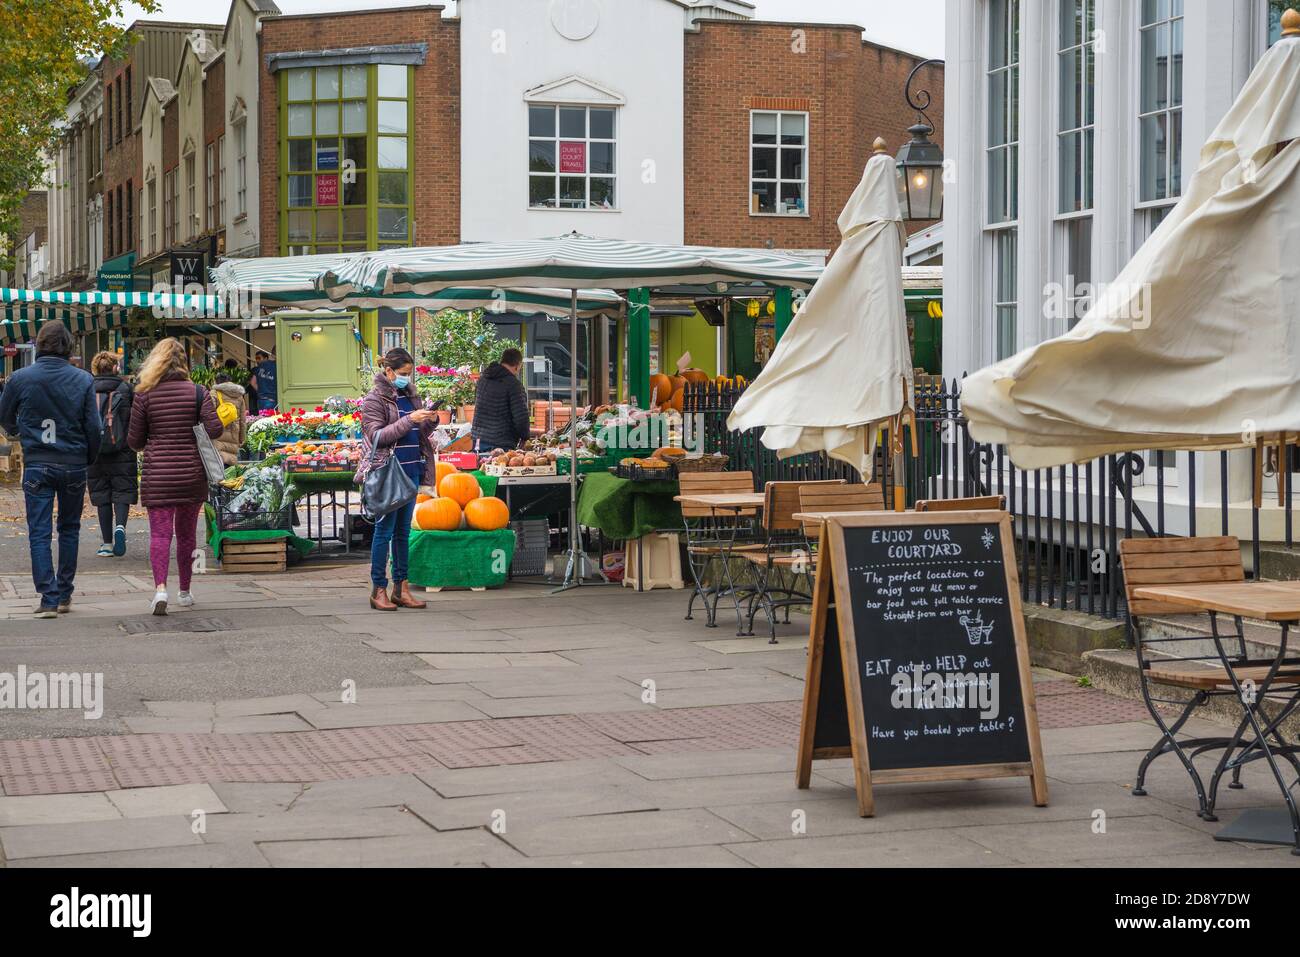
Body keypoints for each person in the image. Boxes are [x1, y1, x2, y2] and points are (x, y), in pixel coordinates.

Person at [0, 321, 101, 618]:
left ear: (40, 344)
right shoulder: (82, 379)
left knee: (39, 532)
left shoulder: (20, 378)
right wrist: (88, 457)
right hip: (72, 462)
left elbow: (4, 416)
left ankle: (48, 597)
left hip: (37, 462)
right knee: (70, 529)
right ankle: (66, 591)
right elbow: (93, 428)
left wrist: (19, 432)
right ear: (68, 345)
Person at [128, 338, 223, 616]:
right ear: (185, 361)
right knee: (186, 536)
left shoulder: (144, 394)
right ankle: (184, 591)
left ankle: (159, 589)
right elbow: (215, 430)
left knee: (159, 535)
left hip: (158, 475)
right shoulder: (198, 392)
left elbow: (134, 441)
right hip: (191, 475)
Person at [359, 348, 438, 611]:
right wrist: (409, 420)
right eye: (403, 374)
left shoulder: (409, 394)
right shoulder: (374, 399)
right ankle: (378, 589)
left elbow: (416, 433)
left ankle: (401, 588)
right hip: (389, 473)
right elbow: (377, 437)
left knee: (403, 533)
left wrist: (429, 421)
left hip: (412, 469)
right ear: (389, 371)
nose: (407, 378)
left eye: (409, 373)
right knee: (384, 532)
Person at [88, 351, 138, 558]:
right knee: (122, 491)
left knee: (102, 496)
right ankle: (120, 527)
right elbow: (135, 418)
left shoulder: (87, 388)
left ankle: (107, 543)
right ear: (115, 368)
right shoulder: (125, 389)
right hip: (123, 449)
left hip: (95, 450)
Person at [471, 347, 530, 453]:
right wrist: (525, 437)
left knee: (481, 468)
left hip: (478, 440)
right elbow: (521, 416)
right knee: (499, 469)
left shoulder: (483, 379)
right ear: (517, 365)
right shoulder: (513, 385)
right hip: (501, 443)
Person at [212, 373, 248, 466]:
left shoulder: (214, 393)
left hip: (219, 433)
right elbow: (242, 421)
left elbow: (209, 415)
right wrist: (242, 438)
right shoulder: (239, 396)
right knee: (230, 462)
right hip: (234, 433)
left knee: (219, 460)